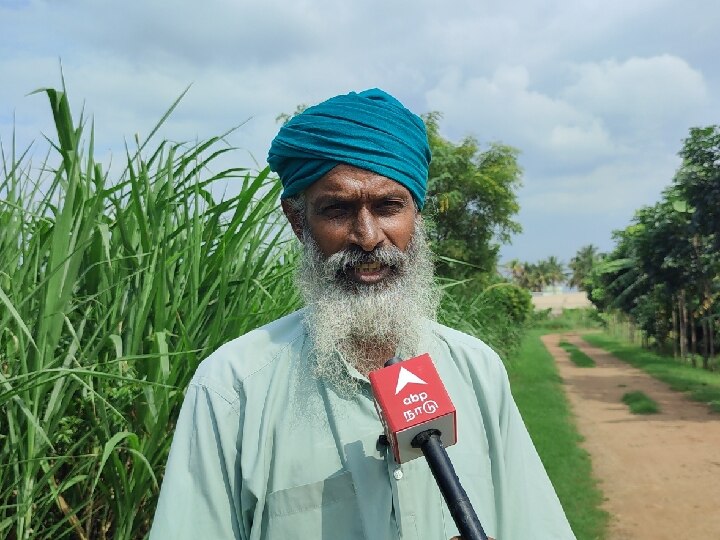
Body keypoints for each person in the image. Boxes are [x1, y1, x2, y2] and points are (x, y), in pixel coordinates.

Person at [150, 89, 575, 539]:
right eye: (338, 209)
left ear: (417, 216)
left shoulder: (476, 370)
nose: (368, 237)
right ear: (299, 222)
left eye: (388, 207)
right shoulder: (232, 388)